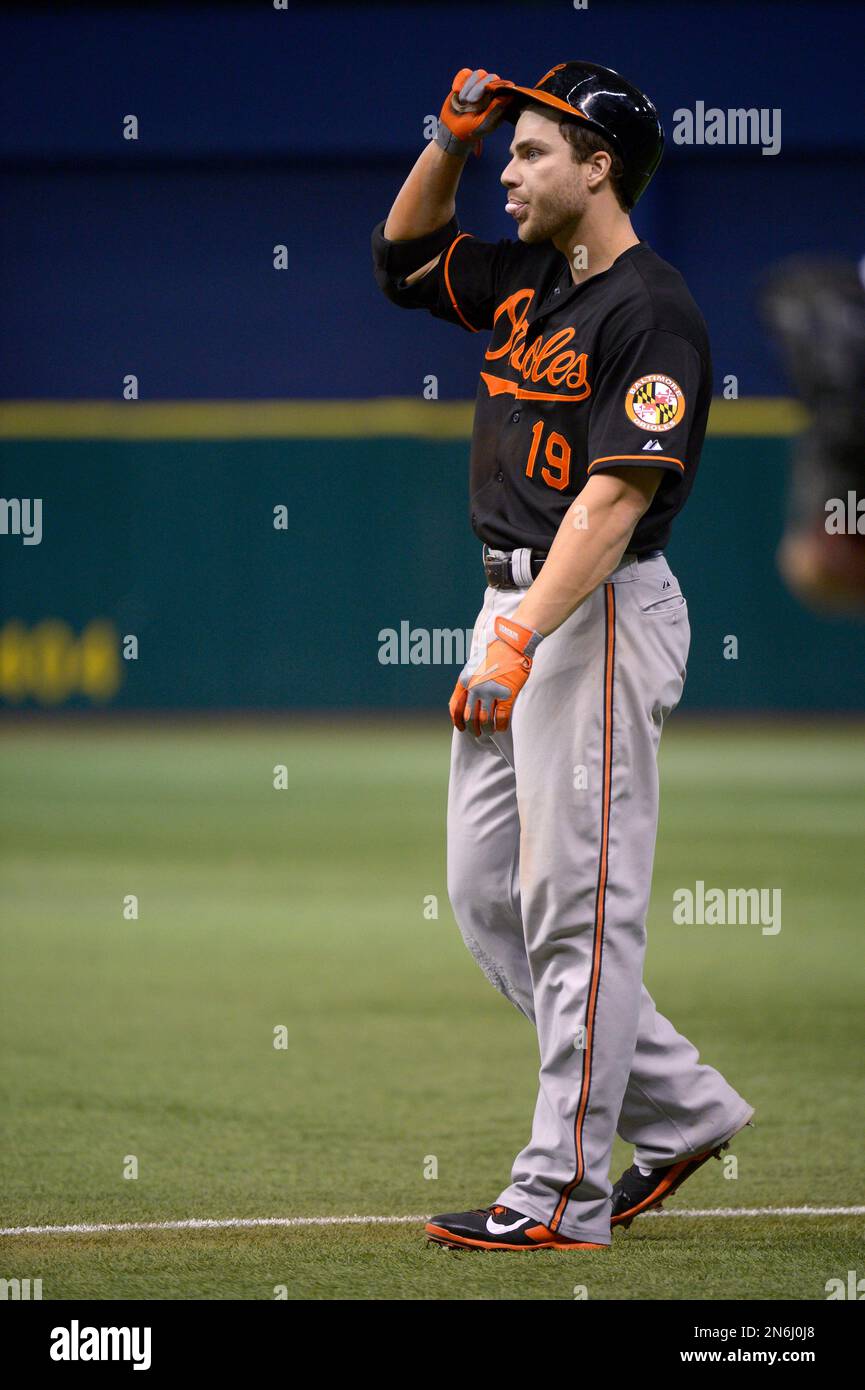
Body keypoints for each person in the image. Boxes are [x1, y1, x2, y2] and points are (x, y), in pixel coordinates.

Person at [372, 62, 754, 1252]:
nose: (509, 170)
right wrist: (446, 133)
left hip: (585, 615)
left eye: (533, 150)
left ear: (600, 167)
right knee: (491, 895)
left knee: (576, 910)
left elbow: (611, 502)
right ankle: (680, 1111)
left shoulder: (655, 311)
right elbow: (399, 260)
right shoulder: (528, 278)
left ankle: (562, 1194)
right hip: (517, 610)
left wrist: (521, 638)